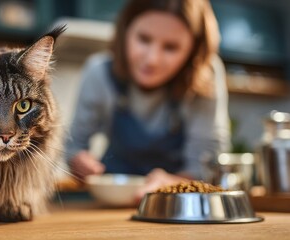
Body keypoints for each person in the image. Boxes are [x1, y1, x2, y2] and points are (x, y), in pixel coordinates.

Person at [65, 0, 230, 199]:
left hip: (177, 205)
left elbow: (206, 166)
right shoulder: (99, 72)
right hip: (113, 202)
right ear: (125, 31)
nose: (152, 59)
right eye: (143, 39)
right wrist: (79, 161)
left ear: (193, 51)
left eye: (171, 47)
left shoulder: (206, 77)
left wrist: (172, 184)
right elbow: (73, 146)